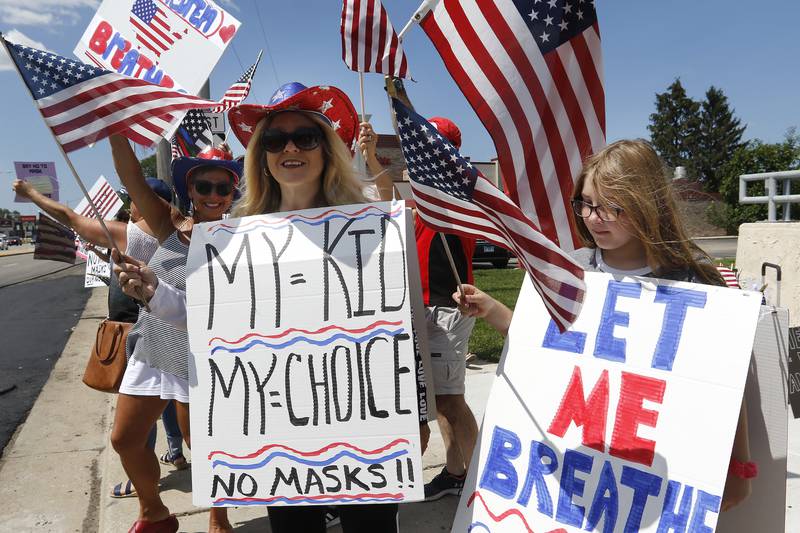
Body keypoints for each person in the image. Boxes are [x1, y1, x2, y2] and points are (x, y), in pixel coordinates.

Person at [113, 81, 406, 533]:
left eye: (305, 137)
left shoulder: (367, 221)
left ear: (326, 149)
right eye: (273, 140)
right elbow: (211, 315)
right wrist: (154, 291)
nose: (290, 147)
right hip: (280, 430)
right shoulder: (240, 233)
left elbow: (389, 316)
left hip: (357, 425)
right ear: (262, 156)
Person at [455, 139, 754, 512]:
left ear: (648, 205)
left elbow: (725, 382)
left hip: (662, 476)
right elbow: (547, 344)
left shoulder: (695, 282)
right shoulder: (571, 269)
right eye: (585, 203)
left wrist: (738, 467)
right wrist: (494, 311)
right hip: (582, 469)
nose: (594, 218)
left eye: (612, 207)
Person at [11, 177, 188, 497]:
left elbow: (69, 217)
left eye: (132, 199)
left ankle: (144, 486)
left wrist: (31, 194)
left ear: (143, 201)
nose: (129, 207)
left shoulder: (129, 232)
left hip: (147, 336)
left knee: (133, 431)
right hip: (183, 339)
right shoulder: (187, 232)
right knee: (176, 412)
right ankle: (177, 457)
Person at [107, 137, 242, 533]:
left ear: (234, 191)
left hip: (201, 358)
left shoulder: (246, 235)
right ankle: (153, 512)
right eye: (204, 186)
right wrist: (116, 129)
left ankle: (219, 517)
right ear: (190, 190)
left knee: (202, 446)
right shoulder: (168, 223)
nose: (213, 195)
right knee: (125, 439)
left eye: (223, 187)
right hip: (153, 347)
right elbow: (132, 177)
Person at [359, 116, 479, 501]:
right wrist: (371, 157)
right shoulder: (424, 193)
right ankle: (456, 472)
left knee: (449, 400)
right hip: (422, 305)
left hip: (448, 305)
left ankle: (479, 481)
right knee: (442, 400)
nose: (415, 152)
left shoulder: (455, 191)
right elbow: (387, 202)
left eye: (423, 145)